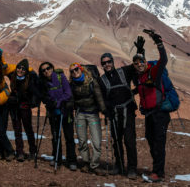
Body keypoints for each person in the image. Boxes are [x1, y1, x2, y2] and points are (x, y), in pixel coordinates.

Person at [99, 36, 145, 178]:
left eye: (109, 61)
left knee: (129, 141)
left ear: (112, 62)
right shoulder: (102, 80)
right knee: (117, 141)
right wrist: (106, 110)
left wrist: (140, 50)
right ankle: (119, 166)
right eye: (104, 63)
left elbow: (139, 66)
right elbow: (103, 97)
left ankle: (131, 168)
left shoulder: (124, 71)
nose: (107, 64)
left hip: (128, 111)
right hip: (114, 114)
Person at [133, 32, 169, 183]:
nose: (139, 64)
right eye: (136, 63)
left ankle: (158, 173)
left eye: (141, 62)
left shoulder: (154, 72)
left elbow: (164, 60)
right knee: (150, 139)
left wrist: (159, 43)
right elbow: (140, 63)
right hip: (149, 114)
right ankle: (158, 169)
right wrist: (140, 51)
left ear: (145, 62)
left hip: (160, 113)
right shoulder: (140, 77)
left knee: (158, 143)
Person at [68, 63, 107, 175]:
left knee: (96, 141)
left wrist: (104, 110)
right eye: (72, 71)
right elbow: (71, 99)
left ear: (81, 70)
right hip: (80, 114)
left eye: (76, 69)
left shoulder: (91, 81)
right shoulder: (72, 85)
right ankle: (85, 163)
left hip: (93, 114)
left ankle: (94, 165)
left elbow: (99, 96)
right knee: (82, 140)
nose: (75, 72)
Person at [38, 62, 77, 171]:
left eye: (48, 68)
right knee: (55, 137)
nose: (46, 71)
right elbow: (44, 96)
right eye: (43, 70)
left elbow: (68, 93)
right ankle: (57, 158)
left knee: (69, 137)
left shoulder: (61, 77)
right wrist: (48, 102)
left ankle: (72, 160)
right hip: (53, 113)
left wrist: (58, 102)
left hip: (65, 112)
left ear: (52, 68)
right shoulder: (44, 83)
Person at [7, 59, 39, 162]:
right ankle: (20, 152)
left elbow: (36, 92)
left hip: (25, 108)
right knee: (17, 130)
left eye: (23, 69)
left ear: (26, 71)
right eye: (19, 67)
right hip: (14, 108)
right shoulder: (12, 76)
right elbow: (6, 68)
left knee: (28, 129)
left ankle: (33, 151)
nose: (20, 70)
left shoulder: (30, 80)